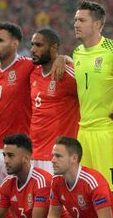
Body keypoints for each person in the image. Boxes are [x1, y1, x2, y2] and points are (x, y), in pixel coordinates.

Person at [72, 0, 113, 196]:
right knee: (87, 190)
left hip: (108, 130)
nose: (76, 24)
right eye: (75, 20)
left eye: (81, 20)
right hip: (83, 132)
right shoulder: (77, 52)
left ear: (97, 24)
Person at [0, 22, 34, 184]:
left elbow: (52, 64)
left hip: (24, 148)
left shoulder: (28, 65)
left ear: (15, 44)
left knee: (27, 203)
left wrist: (64, 58)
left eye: (0, 40)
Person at [29, 28, 79, 174]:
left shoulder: (68, 73)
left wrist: (66, 59)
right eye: (32, 44)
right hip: (34, 153)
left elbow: (92, 88)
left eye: (39, 45)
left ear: (54, 48)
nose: (33, 49)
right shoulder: (33, 73)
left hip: (58, 156)